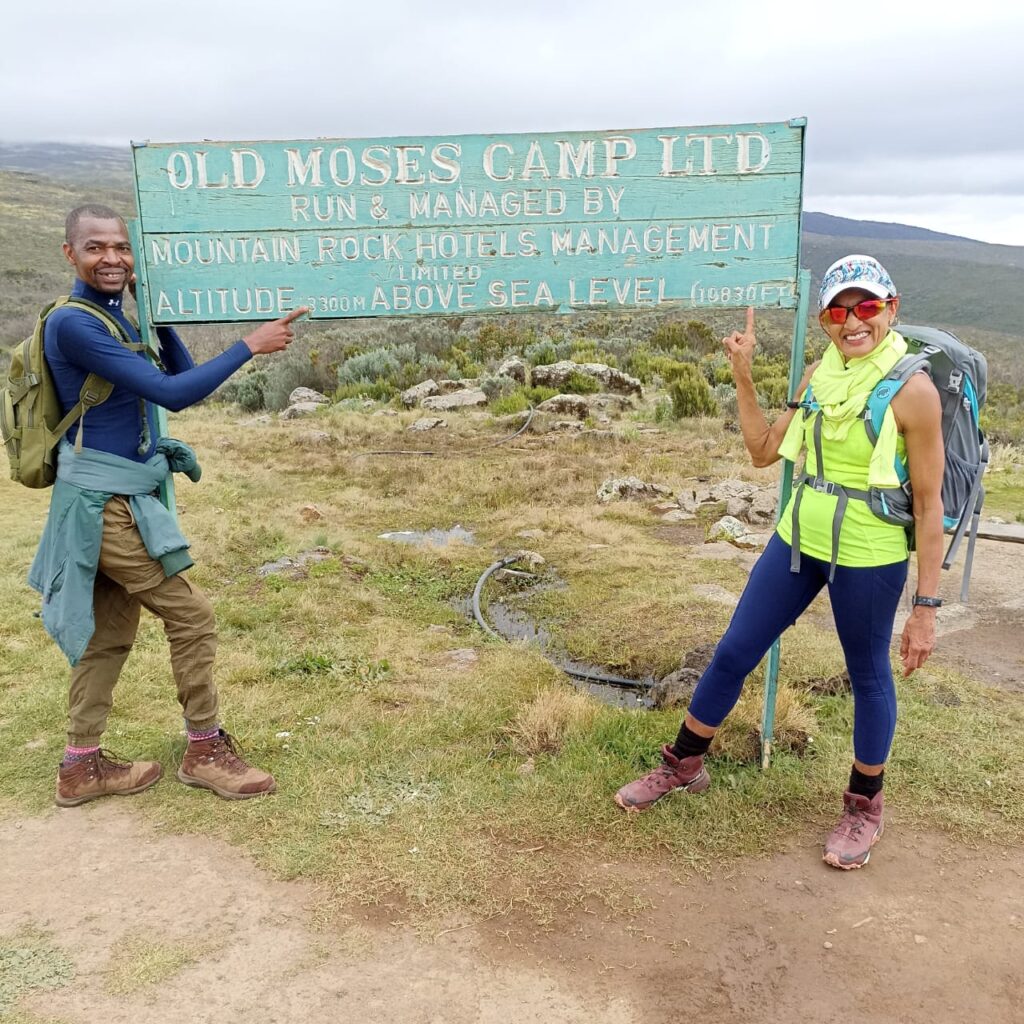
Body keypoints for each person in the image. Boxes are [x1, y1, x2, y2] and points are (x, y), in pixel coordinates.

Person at [614, 254, 945, 870]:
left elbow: (930, 507)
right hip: (797, 542)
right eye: (838, 310)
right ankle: (682, 766)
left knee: (869, 674)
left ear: (891, 310)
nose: (853, 321)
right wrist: (742, 374)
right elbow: (765, 451)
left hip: (868, 557)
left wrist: (925, 607)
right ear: (824, 320)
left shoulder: (914, 392)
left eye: (867, 307)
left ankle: (864, 805)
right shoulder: (818, 375)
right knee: (735, 649)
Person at [31, 203, 308, 807]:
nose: (112, 259)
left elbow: (180, 371)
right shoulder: (74, 325)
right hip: (102, 504)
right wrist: (250, 345)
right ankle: (205, 751)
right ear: (70, 254)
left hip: (119, 495)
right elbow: (173, 395)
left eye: (122, 249)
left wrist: (155, 313)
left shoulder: (116, 318)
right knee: (191, 615)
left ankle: (80, 767)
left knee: (109, 632)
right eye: (97, 248)